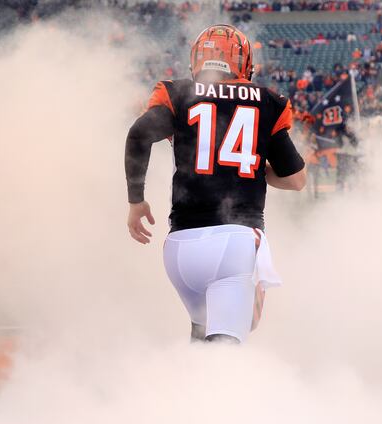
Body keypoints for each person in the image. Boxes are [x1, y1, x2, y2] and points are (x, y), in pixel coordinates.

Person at [124, 24, 306, 344]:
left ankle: (174, 394)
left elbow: (139, 135)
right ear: (243, 63)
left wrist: (136, 201)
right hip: (234, 243)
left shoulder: (178, 92)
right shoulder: (266, 101)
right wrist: (254, 168)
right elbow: (295, 180)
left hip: (180, 248)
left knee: (202, 338)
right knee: (225, 353)